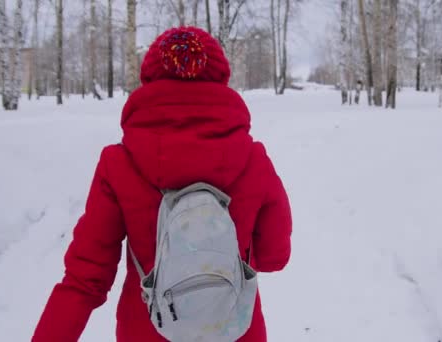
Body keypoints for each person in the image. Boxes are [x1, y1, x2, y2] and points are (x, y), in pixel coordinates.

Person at [32, 27, 292, 342]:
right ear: (219, 78)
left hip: (147, 330)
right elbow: (275, 257)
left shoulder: (119, 163)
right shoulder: (254, 159)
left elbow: (85, 280)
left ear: (150, 79)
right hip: (236, 330)